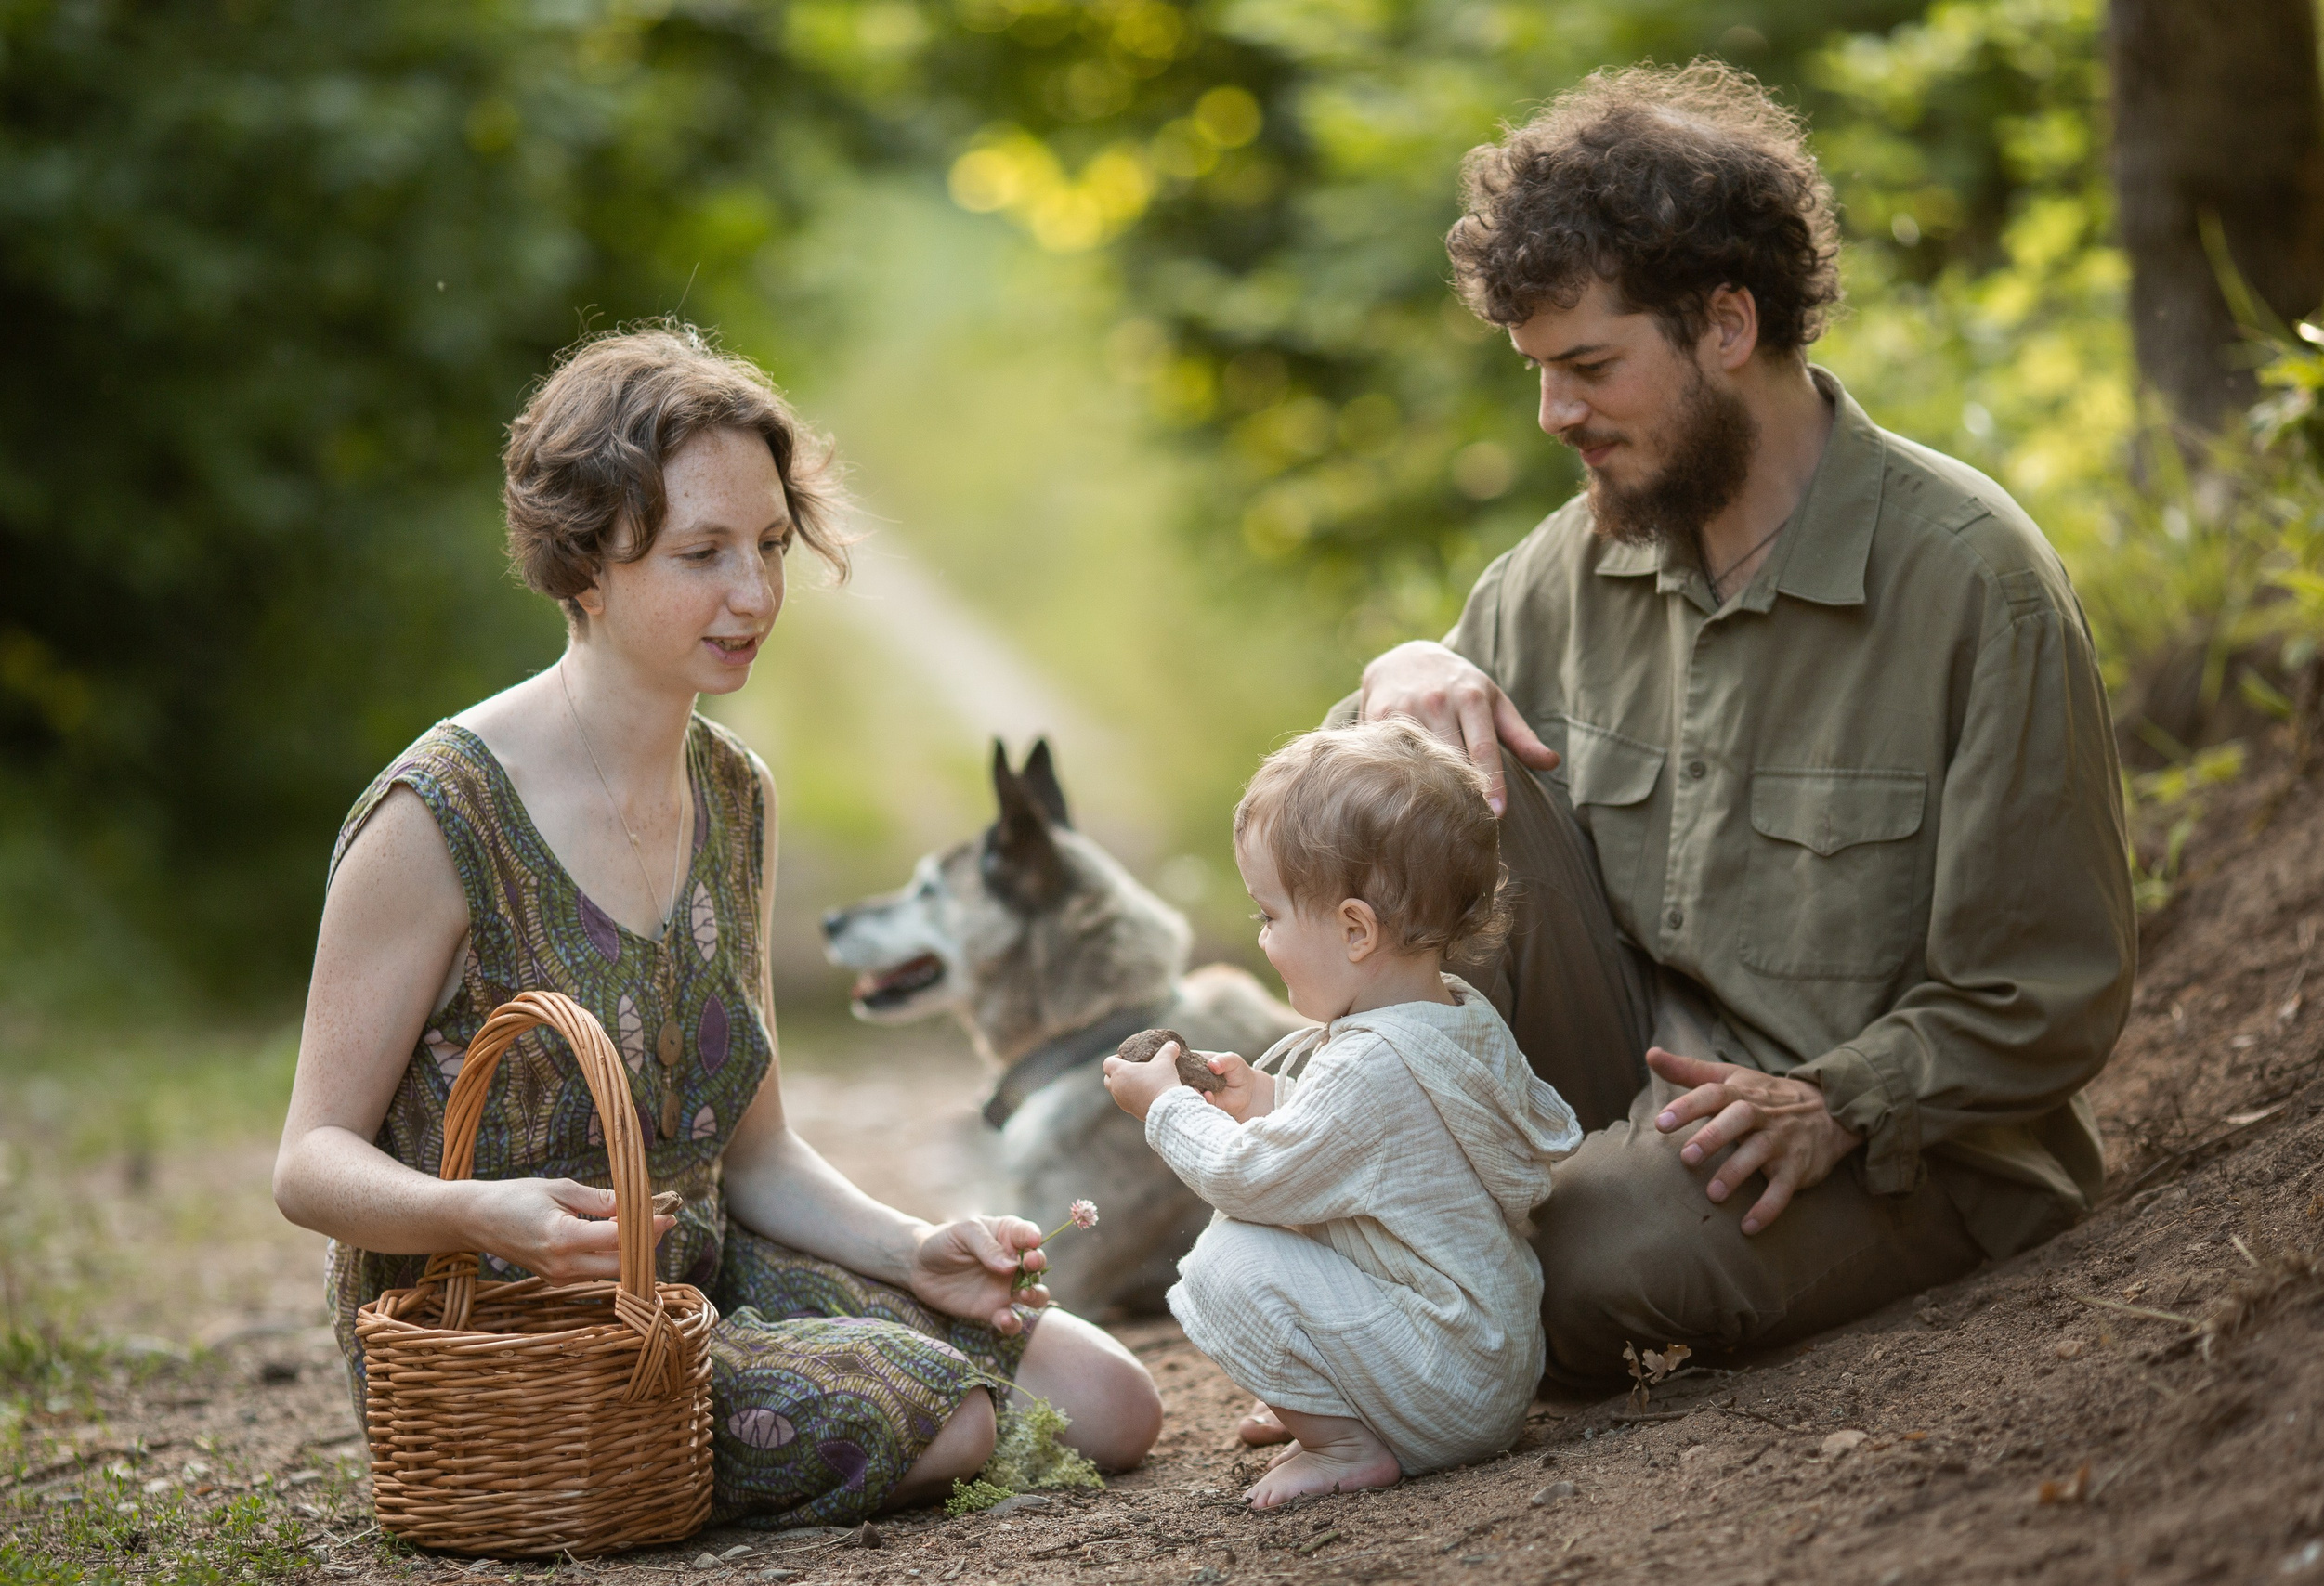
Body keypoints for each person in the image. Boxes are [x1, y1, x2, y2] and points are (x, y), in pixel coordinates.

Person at [272, 323, 1160, 1528]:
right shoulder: (438, 820)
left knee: (1108, 1401)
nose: (754, 596)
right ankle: (630, 1474)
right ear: (584, 562)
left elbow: (759, 1160)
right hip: (515, 1343)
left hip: (703, 1276)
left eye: (771, 546)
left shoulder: (736, 795)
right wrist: (486, 1214)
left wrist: (912, 1251)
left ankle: (759, 1422)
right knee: (952, 1414)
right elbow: (310, 1164)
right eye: (703, 553)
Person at [1344, 63, 2136, 1385]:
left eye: (1589, 367)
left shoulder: (1973, 580)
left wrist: (1843, 1102)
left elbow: (2045, 992)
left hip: (1887, 1145)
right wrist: (1402, 676)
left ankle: (1407, 1338)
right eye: (1539, 373)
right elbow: (1365, 852)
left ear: (1725, 324)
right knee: (1312, 1073)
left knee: (1593, 1247)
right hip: (1618, 1100)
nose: (1554, 417)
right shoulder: (1558, 574)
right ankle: (1408, 1316)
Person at [1102, 721, 1581, 1505]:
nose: (1261, 939)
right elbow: (1385, 1152)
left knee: (1228, 1257)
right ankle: (1340, 1392)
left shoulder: (1370, 1062)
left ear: (1355, 930)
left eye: (1268, 916)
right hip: (1486, 1361)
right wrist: (1261, 1098)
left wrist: (1163, 1110)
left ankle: (1348, 1441)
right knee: (1278, 1230)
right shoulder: (1452, 1016)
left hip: (1444, 1385)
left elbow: (1247, 1176)